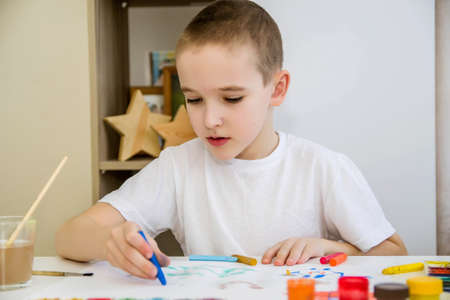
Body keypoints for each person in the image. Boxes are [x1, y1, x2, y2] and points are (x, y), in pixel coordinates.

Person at [55, 0, 407, 281]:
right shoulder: (179, 167)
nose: (209, 120)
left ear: (277, 88)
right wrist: (109, 242)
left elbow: (396, 254)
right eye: (193, 99)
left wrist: (332, 249)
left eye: (232, 98)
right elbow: (68, 236)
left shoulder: (322, 168)